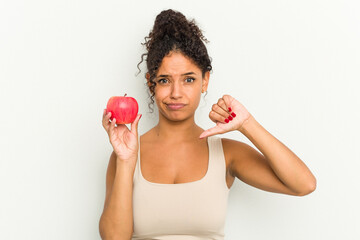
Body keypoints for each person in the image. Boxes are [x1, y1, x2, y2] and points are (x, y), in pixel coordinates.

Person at [99, 9, 317, 240]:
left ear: (205, 81)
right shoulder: (126, 156)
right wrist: (125, 161)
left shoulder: (227, 153)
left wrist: (247, 124)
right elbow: (113, 238)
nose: (176, 93)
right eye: (164, 80)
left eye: (189, 79)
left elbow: (304, 184)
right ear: (151, 84)